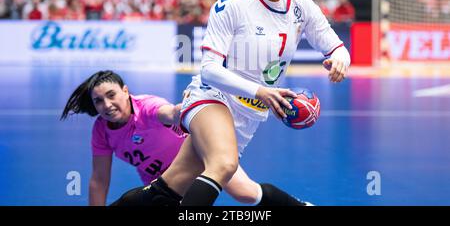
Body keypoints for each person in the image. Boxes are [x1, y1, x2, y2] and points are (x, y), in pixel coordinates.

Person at [114, 0, 350, 206]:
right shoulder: (233, 5)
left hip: (248, 114)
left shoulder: (302, 6)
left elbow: (335, 46)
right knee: (223, 165)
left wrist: (341, 59)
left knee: (181, 185)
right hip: (212, 97)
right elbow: (210, 70)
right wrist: (261, 91)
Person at [60, 70, 310, 206]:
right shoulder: (101, 130)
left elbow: (170, 112)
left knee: (245, 193)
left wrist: (190, 106)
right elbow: (99, 180)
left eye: (112, 95)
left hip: (201, 156)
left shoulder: (147, 107)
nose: (107, 105)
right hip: (163, 183)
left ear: (126, 92)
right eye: (99, 101)